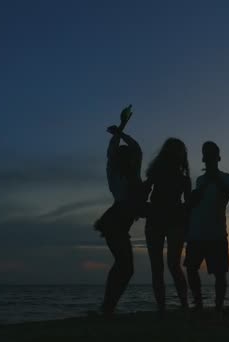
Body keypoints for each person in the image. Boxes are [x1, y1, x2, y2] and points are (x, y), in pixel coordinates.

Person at [94, 105, 144, 316]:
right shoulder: (114, 174)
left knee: (123, 266)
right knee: (124, 266)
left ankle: (108, 306)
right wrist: (120, 129)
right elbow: (114, 147)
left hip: (121, 223)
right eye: (124, 155)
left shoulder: (134, 174)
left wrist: (122, 129)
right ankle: (108, 306)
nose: (129, 157)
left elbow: (136, 148)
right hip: (115, 222)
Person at [185, 141, 229, 313]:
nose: (209, 158)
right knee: (191, 269)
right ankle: (198, 304)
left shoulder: (226, 178)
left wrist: (215, 179)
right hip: (196, 232)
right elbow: (193, 203)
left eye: (212, 154)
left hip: (217, 233)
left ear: (218, 157)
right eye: (207, 154)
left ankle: (218, 306)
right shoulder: (200, 180)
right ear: (204, 158)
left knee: (220, 273)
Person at [144, 138, 191, 314]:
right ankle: (167, 306)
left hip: (172, 221)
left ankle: (178, 305)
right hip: (161, 220)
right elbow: (144, 192)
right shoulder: (158, 174)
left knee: (169, 265)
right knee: (164, 266)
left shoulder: (182, 178)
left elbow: (188, 205)